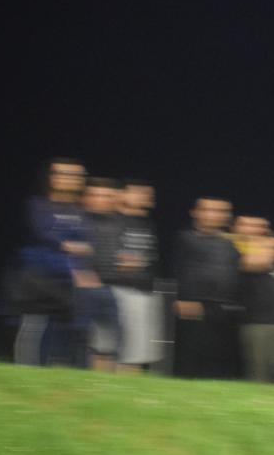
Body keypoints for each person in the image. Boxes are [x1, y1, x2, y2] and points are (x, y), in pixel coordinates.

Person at [13, 158, 102, 368]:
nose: (71, 179)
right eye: (64, 174)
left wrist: (84, 266)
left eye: (77, 175)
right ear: (51, 178)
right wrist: (69, 247)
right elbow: (44, 235)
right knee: (35, 330)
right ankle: (25, 374)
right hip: (38, 280)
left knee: (67, 338)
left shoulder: (81, 212)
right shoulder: (37, 205)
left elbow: (89, 245)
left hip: (71, 286)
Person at [173, 197, 240, 379]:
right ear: (195, 213)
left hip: (226, 308)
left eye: (221, 211)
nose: (215, 215)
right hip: (195, 305)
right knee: (190, 359)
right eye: (209, 210)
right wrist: (183, 298)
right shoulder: (185, 238)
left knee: (220, 361)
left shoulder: (233, 243)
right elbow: (177, 269)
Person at [105, 179, 164, 373]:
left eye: (147, 193)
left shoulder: (148, 223)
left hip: (146, 290)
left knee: (139, 351)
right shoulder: (112, 221)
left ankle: (129, 386)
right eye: (138, 191)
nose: (144, 196)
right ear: (122, 194)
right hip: (119, 289)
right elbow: (109, 256)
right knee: (116, 348)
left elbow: (151, 258)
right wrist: (122, 262)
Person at [234, 215, 274, 384]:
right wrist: (271, 247)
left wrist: (271, 245)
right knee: (259, 373)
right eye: (251, 225)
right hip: (255, 321)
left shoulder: (269, 250)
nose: (257, 230)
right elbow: (254, 262)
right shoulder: (235, 248)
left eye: (262, 227)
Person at [82, 178, 126, 370]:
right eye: (96, 195)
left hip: (109, 288)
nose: (101, 200)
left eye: (107, 196)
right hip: (80, 290)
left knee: (109, 343)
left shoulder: (119, 223)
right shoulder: (78, 220)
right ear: (86, 197)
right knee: (81, 341)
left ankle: (101, 382)